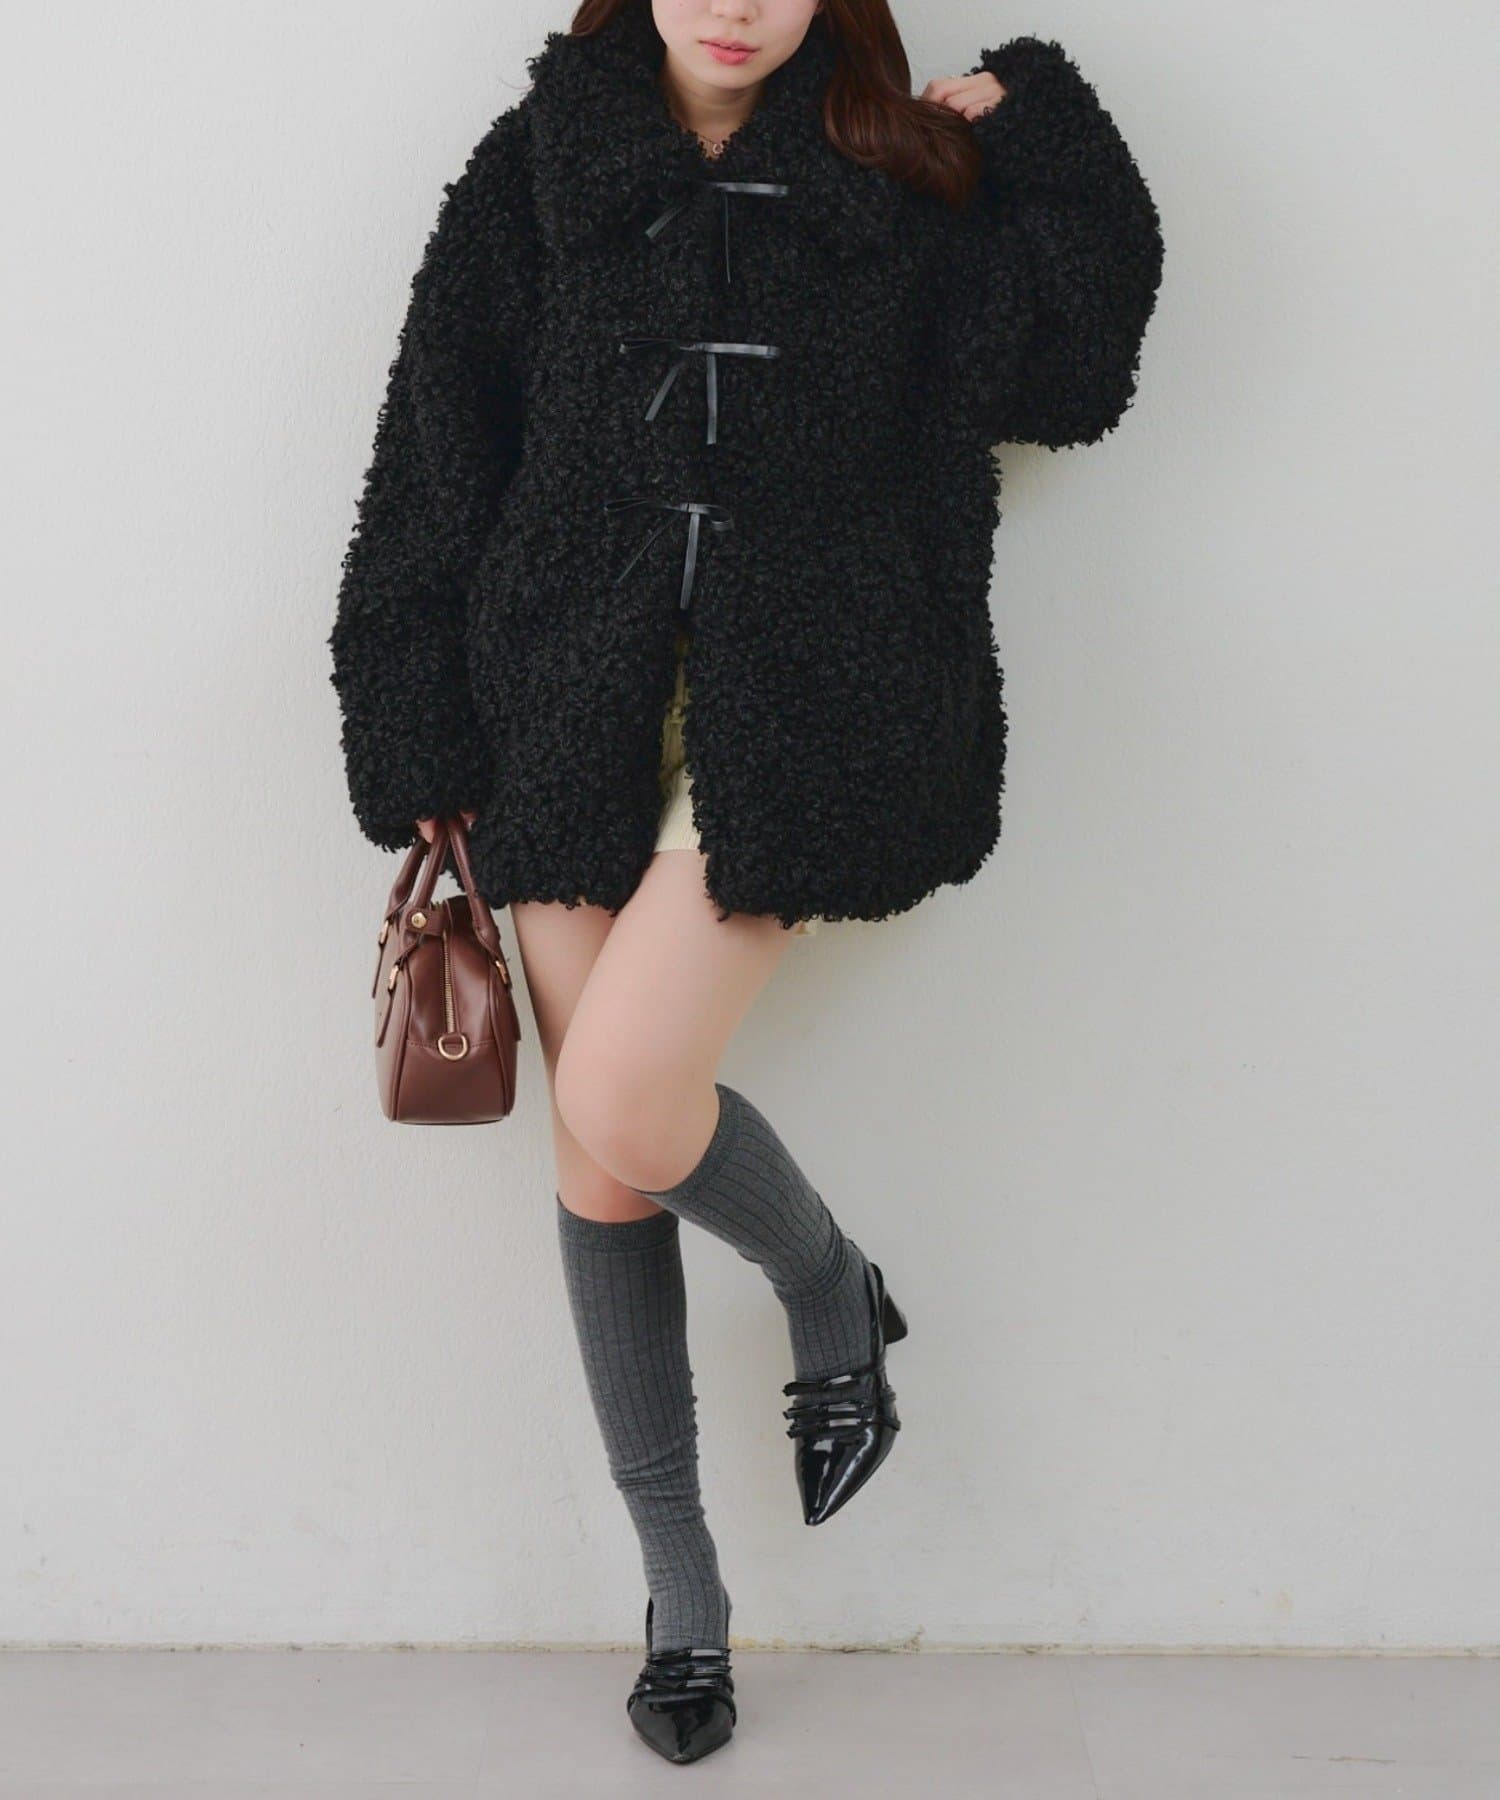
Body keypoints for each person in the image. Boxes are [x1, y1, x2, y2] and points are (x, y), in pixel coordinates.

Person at [329, 0, 1163, 1764]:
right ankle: (684, 1595)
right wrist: (415, 728)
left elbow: (1080, 362)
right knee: (599, 1157)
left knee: (627, 1096)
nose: (734, 3)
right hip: (560, 697)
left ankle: (827, 1286)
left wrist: (1039, 115)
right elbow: (434, 446)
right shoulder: (540, 168)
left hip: (803, 705)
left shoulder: (897, 177)